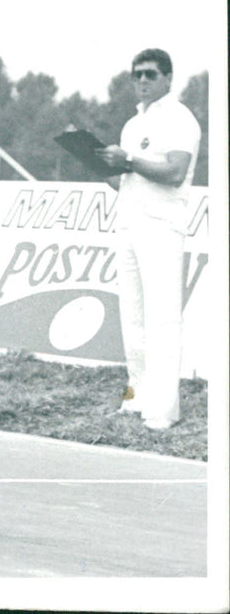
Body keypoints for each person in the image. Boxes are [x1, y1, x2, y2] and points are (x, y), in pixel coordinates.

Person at [95, 48, 201, 430]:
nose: (142, 81)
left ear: (168, 79)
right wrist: (96, 164)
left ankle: (163, 410)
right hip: (129, 224)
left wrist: (129, 162)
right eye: (137, 75)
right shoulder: (131, 124)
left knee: (162, 320)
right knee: (133, 319)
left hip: (161, 225)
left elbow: (175, 172)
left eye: (151, 75)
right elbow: (124, 182)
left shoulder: (179, 118)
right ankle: (135, 399)